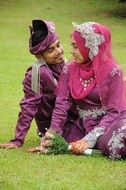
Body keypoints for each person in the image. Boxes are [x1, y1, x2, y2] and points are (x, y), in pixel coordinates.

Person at [43, 21, 126, 160]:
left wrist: (89, 140)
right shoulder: (69, 69)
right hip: (82, 125)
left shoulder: (112, 71)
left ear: (90, 47)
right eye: (72, 46)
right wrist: (51, 135)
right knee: (67, 138)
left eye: (76, 46)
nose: (71, 51)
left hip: (111, 122)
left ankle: (96, 141)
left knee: (114, 144)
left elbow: (115, 111)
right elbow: (61, 104)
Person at [0, 19, 66, 149]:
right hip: (55, 124)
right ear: (39, 56)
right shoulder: (35, 73)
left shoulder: (63, 61)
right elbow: (29, 106)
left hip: (71, 114)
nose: (58, 51)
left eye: (58, 45)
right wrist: (17, 140)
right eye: (50, 50)